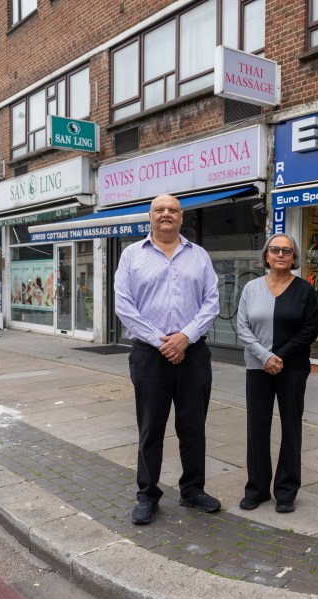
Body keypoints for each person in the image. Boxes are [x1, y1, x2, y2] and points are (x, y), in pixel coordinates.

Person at [114, 193, 221, 525]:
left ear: (181, 217)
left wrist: (185, 337)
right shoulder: (132, 256)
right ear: (150, 216)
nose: (166, 214)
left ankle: (192, 490)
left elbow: (212, 302)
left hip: (193, 354)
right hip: (150, 355)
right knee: (151, 428)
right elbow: (124, 306)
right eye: (159, 209)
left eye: (172, 210)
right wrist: (161, 341)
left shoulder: (199, 256)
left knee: (193, 427)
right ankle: (147, 495)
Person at [236, 234, 318, 514]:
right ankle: (257, 488)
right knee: (256, 428)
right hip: (257, 367)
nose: (281, 254)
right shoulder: (251, 288)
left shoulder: (304, 290)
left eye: (287, 250)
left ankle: (286, 491)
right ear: (266, 256)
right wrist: (265, 356)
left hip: (292, 368)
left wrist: (279, 357)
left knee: (291, 429)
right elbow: (242, 327)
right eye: (275, 250)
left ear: (294, 258)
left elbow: (310, 330)